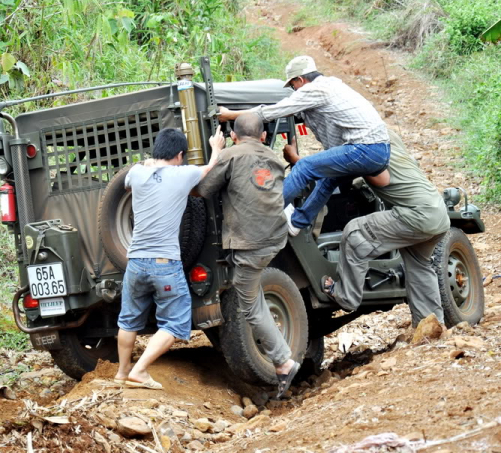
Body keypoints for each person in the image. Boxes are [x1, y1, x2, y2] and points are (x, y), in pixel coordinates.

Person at [218, 55, 391, 236]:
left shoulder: (314, 89)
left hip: (365, 148)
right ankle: (297, 222)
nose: (294, 90)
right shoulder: (333, 85)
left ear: (300, 79)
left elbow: (272, 111)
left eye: (293, 86)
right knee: (329, 179)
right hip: (380, 151)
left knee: (305, 166)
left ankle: (264, 214)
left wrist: (231, 115)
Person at [195, 112, 301, 398]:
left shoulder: (230, 156)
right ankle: (283, 359)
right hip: (275, 239)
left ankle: (284, 361)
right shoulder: (273, 158)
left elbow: (203, 189)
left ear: (233, 136)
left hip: (249, 245)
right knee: (251, 293)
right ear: (264, 136)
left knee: (250, 304)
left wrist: (215, 154)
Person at [114, 126, 225, 389]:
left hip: (135, 262)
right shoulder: (183, 174)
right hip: (165, 263)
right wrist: (216, 149)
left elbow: (129, 179)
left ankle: (121, 373)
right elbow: (210, 169)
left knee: (128, 320)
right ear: (179, 154)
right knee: (176, 322)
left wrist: (149, 162)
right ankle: (139, 371)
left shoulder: (137, 174)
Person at [306, 130, 451, 325]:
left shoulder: (366, 146)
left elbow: (378, 177)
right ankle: (431, 325)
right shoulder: (386, 136)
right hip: (437, 212)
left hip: (417, 215)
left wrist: (298, 160)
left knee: (355, 232)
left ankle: (345, 295)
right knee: (420, 266)